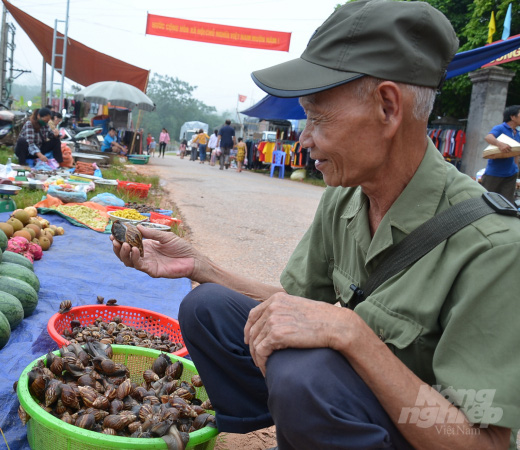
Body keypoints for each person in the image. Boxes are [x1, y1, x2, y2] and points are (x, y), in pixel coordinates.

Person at [112, 1, 520, 449]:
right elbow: (296, 305)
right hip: (346, 397)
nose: (304, 139)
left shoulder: (493, 246)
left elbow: (487, 442)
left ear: (388, 106)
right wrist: (199, 266)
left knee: (303, 374)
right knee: (207, 308)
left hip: (421, 430)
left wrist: (353, 335)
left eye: (319, 117)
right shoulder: (346, 195)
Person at [481, 105, 520, 203]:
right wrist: (499, 144)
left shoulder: (517, 133)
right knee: (486, 201)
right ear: (512, 117)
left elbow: (516, 153)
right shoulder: (500, 128)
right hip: (494, 173)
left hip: (511, 174)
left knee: (506, 203)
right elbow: (488, 137)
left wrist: (516, 168)